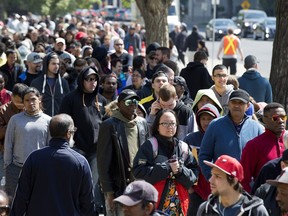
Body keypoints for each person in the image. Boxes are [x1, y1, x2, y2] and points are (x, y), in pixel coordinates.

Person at [11, 114, 95, 215]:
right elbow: (87, 201)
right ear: (68, 133)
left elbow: (21, 196)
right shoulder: (80, 162)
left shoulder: (34, 158)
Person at [133, 109, 199, 215]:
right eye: (165, 123)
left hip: (180, 206)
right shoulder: (150, 146)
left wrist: (180, 170)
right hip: (154, 205)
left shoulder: (183, 147)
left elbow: (194, 176)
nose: (169, 126)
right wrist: (166, 168)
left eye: (173, 123)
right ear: (157, 126)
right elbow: (138, 172)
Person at [59, 66, 106, 213]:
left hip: (96, 150)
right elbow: (62, 122)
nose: (93, 83)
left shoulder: (102, 99)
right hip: (76, 148)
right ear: (82, 80)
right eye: (89, 79)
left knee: (92, 183)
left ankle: (90, 211)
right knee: (75, 182)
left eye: (95, 80)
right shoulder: (70, 98)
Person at [97, 89, 148, 216]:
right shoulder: (109, 125)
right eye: (129, 101)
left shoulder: (142, 123)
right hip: (119, 187)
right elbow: (103, 162)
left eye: (136, 101)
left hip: (140, 185)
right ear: (119, 104)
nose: (133, 104)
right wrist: (109, 192)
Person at [198, 89, 264, 181]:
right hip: (222, 185)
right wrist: (212, 178)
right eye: (233, 102)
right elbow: (204, 156)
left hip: (248, 187)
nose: (236, 105)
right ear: (229, 104)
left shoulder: (257, 128)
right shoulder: (215, 125)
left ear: (248, 106)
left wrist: (256, 183)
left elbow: (262, 159)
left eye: (240, 103)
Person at [4, 87, 51, 198]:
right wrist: (8, 166)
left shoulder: (49, 121)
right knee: (14, 202)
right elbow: (8, 144)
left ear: (39, 99)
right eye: (27, 100)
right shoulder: (15, 120)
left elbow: (50, 147)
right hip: (16, 168)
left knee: (38, 202)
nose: (31, 103)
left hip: (40, 170)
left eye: (33, 99)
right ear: (23, 103)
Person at [197, 155, 269, 215]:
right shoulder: (205, 209)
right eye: (212, 175)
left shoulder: (256, 211)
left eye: (217, 176)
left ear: (234, 181)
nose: (210, 180)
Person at [241, 102, 287, 193]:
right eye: (276, 118)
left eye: (283, 117)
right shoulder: (253, 146)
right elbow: (243, 179)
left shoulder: (287, 141)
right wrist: (253, 200)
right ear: (265, 119)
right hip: (265, 201)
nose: (281, 120)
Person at [184, 104, 220, 216]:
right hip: (196, 193)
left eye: (209, 119)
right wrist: (190, 187)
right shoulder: (190, 139)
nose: (206, 122)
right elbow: (184, 164)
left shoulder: (221, 137)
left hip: (218, 192)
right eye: (203, 118)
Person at [0, 83, 27, 182]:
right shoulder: (3, 110)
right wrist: (14, 123)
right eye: (18, 102)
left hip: (25, 151)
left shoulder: (29, 109)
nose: (21, 105)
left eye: (23, 102)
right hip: (6, 153)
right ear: (12, 97)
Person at [31, 52, 70, 116]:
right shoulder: (36, 83)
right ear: (47, 64)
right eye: (53, 64)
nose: (56, 66)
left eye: (58, 64)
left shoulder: (63, 83)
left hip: (60, 121)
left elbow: (68, 103)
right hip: (41, 120)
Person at [254, 149, 288, 216]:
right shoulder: (264, 191)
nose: (277, 197)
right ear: (283, 165)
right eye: (278, 192)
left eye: (283, 193)